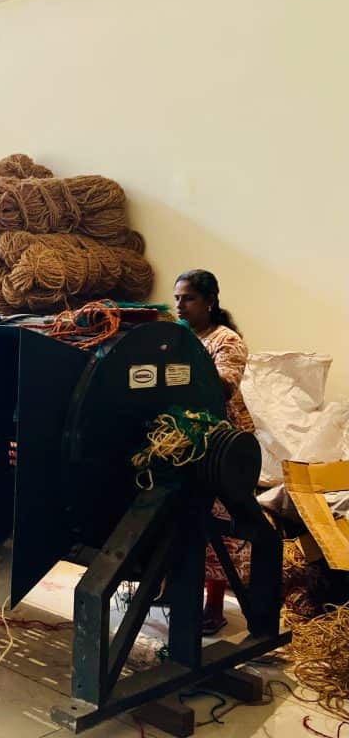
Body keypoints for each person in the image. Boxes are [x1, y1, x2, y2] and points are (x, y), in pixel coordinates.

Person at [174, 269, 256, 635]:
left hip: (224, 446)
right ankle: (176, 591)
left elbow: (223, 388)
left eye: (188, 298)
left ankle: (215, 606)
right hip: (190, 440)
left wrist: (188, 362)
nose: (180, 305)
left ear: (209, 301)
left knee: (221, 526)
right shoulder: (181, 337)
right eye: (176, 298)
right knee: (185, 519)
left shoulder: (227, 340)